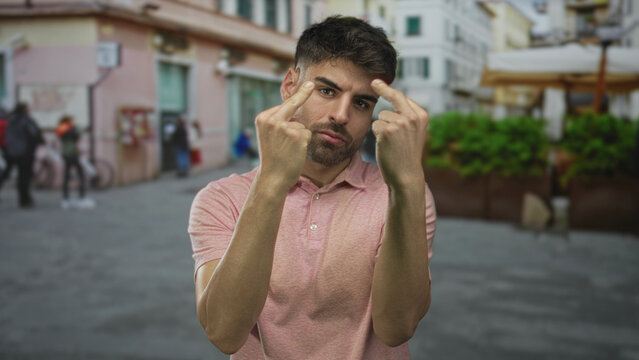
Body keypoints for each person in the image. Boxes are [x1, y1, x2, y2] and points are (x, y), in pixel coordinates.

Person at [189, 16, 436, 359]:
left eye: (362, 102)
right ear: (291, 85)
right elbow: (224, 331)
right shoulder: (221, 199)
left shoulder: (404, 197)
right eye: (327, 90)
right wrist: (272, 183)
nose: (341, 114)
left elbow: (397, 328)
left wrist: (408, 182)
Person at [4, 103, 43, 208]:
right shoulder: (26, 120)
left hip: (12, 151)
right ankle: (25, 199)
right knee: (24, 177)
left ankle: (23, 198)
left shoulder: (10, 120)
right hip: (25, 152)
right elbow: (34, 134)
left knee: (12, 174)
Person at [56, 115, 95, 210]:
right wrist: (75, 127)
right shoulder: (66, 128)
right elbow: (76, 133)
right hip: (71, 154)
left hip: (67, 153)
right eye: (71, 120)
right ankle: (81, 197)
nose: (73, 122)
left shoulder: (63, 128)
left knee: (68, 175)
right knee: (80, 174)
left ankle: (66, 198)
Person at [0, 107, 14, 194]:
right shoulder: (6, 123)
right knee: (6, 168)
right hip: (6, 148)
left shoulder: (4, 123)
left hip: (4, 147)